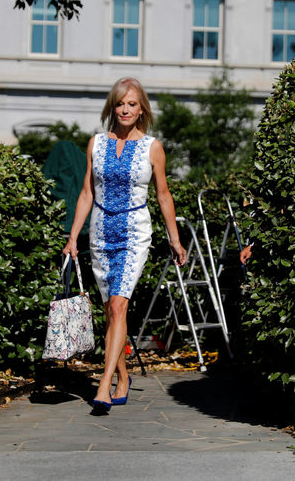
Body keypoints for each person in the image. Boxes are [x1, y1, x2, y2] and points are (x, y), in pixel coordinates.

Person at [62, 77, 187, 412]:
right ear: (112, 108)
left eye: (132, 104)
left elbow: (163, 195)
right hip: (101, 233)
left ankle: (103, 386)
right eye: (120, 104)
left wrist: (175, 239)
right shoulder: (96, 144)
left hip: (134, 233)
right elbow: (87, 192)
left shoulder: (152, 147)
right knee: (110, 311)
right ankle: (123, 375)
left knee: (119, 307)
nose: (126, 109)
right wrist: (74, 236)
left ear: (141, 108)